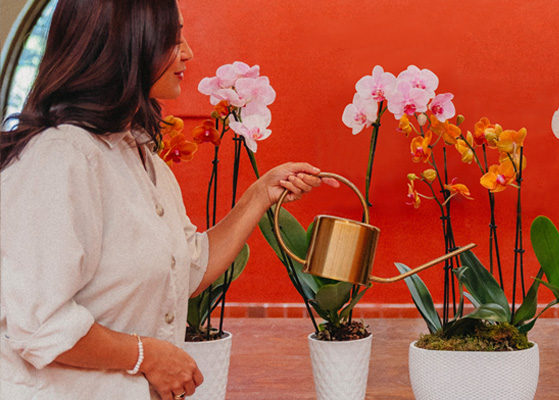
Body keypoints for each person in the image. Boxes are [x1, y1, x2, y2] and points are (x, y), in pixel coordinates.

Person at [0, 0, 337, 399]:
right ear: (127, 45)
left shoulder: (139, 155)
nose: (188, 53)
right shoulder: (60, 158)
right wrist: (150, 356)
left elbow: (189, 269)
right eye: (173, 39)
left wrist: (261, 193)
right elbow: (40, 325)